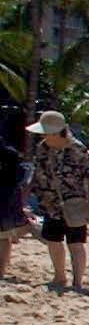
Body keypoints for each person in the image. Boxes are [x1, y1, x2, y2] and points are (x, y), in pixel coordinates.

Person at [27, 111, 89, 295]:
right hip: (50, 203)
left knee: (76, 243)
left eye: (45, 132)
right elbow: (36, 174)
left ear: (57, 133)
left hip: (74, 203)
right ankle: (59, 276)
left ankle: (77, 281)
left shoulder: (78, 149)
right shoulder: (42, 148)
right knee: (53, 241)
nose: (43, 136)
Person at [0, 102, 31, 280]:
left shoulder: (10, 155)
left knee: (4, 237)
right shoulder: (12, 154)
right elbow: (19, 179)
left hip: (5, 197)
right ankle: (1, 271)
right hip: (7, 198)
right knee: (4, 237)